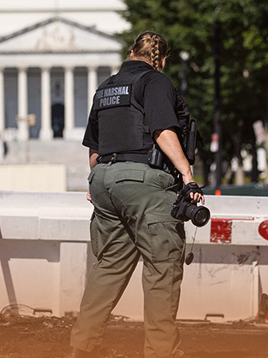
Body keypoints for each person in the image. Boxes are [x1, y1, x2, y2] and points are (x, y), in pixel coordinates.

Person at [69, 31, 203, 358]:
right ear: (163, 59)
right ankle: (161, 352)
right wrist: (187, 175)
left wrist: (96, 181)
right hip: (143, 181)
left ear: (130, 52)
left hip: (103, 181)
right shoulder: (155, 81)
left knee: (110, 266)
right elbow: (162, 131)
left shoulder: (106, 87)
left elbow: (93, 148)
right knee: (162, 266)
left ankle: (81, 346)